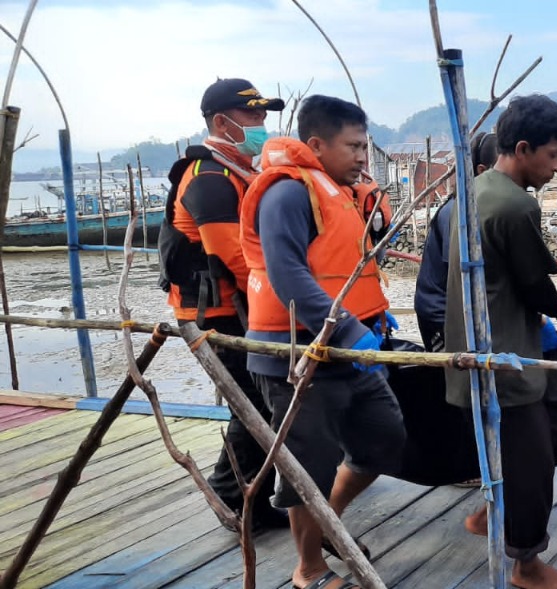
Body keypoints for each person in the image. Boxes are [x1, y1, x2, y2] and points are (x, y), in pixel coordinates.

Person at [240, 95, 406, 589]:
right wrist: (351, 329)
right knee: (305, 467)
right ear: (316, 144)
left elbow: (344, 270)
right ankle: (308, 568)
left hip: (349, 352)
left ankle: (328, 520)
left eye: (365, 147)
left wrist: (372, 322)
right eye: (353, 146)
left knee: (384, 438)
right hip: (297, 357)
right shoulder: (288, 193)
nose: (362, 157)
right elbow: (288, 276)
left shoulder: (338, 190)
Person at [443, 94, 557, 589]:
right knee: (531, 466)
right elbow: (535, 285)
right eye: (552, 156)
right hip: (504, 364)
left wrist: (542, 325)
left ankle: (496, 514)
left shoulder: (474, 190)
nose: (556, 167)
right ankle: (526, 566)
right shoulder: (514, 204)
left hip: (501, 349)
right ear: (524, 148)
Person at [156, 77, 288, 532]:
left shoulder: (237, 172)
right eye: (253, 116)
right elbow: (235, 257)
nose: (262, 124)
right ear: (222, 123)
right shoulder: (209, 178)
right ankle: (233, 497)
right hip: (215, 316)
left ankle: (251, 496)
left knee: (262, 404)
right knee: (253, 404)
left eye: (263, 115)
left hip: (241, 310)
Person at [414, 131, 500, 351]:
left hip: (462, 313)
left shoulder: (476, 209)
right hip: (440, 314)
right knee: (455, 376)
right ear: (482, 171)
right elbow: (460, 274)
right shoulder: (457, 213)